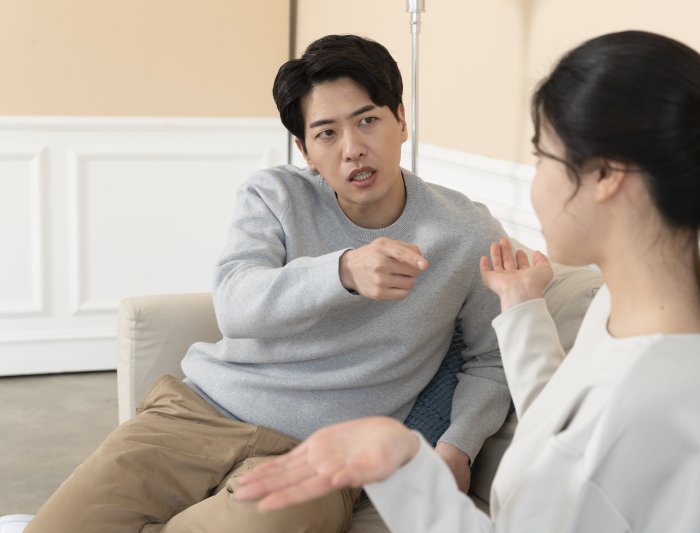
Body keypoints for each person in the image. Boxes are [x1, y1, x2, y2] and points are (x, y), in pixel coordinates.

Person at [234, 30, 700, 532]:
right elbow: (568, 436)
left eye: (541, 157)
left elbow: (589, 454)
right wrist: (522, 309)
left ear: (605, 175)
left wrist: (401, 463)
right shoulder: (638, 313)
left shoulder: (651, 398)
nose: (534, 185)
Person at [27, 35, 512, 532]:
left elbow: (490, 359)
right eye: (327, 133)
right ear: (305, 149)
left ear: (401, 121)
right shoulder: (275, 195)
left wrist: (457, 448)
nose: (353, 149)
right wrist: (343, 271)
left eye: (368, 121)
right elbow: (235, 305)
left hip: (319, 458)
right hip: (197, 415)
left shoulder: (466, 232)